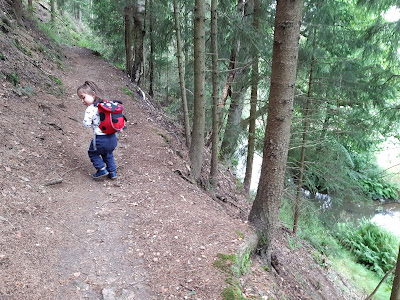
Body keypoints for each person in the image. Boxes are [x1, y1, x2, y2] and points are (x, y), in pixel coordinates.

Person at [77, 80, 118, 179]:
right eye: (81, 99)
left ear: (93, 95)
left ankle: (101, 169)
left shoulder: (90, 108)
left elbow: (86, 124)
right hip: (112, 138)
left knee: (92, 153)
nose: (82, 101)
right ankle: (112, 172)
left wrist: (91, 123)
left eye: (83, 97)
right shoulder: (106, 104)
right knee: (108, 153)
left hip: (100, 139)